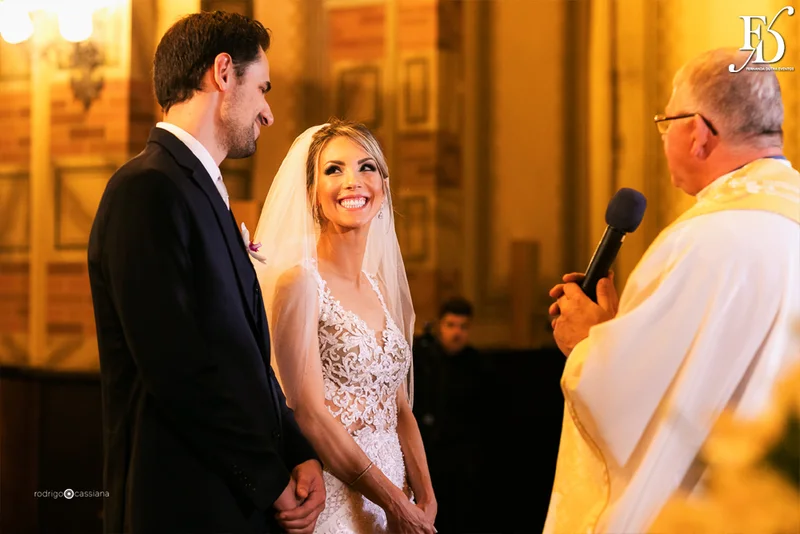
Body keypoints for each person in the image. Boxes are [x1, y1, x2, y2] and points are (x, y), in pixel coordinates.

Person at [544, 47, 800, 533]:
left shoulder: (700, 242)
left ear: (699, 134)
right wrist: (621, 332)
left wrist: (588, 345)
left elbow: (635, 404)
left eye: (666, 123)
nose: (664, 140)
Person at [87, 12, 324, 534]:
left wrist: (297, 450)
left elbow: (243, 357)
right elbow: (177, 370)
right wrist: (267, 477)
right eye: (261, 88)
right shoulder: (145, 190)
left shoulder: (199, 189)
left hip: (231, 500)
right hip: (183, 504)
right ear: (222, 73)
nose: (268, 114)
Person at [252, 119, 437, 533]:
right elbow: (310, 415)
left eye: (366, 167)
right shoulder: (300, 283)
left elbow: (400, 405)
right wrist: (393, 502)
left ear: (384, 187)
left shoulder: (380, 287)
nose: (353, 181)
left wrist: (424, 496)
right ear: (313, 195)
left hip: (396, 492)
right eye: (334, 170)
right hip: (337, 496)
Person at [412, 297, 493, 533]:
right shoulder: (423, 358)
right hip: (427, 453)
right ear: (440, 325)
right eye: (451, 325)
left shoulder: (476, 365)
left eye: (463, 327)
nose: (457, 333)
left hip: (462, 458)